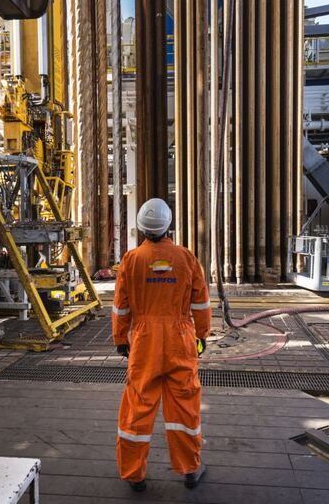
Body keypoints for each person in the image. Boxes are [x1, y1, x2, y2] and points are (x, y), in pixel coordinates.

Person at [112, 197, 211, 493]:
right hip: (181, 338)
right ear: (169, 227)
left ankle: (134, 475)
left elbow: (121, 306)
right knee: (185, 406)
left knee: (138, 406)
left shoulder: (131, 260)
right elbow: (201, 302)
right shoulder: (186, 258)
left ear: (141, 229)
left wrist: (120, 338)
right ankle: (190, 469)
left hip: (143, 342)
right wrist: (202, 335)